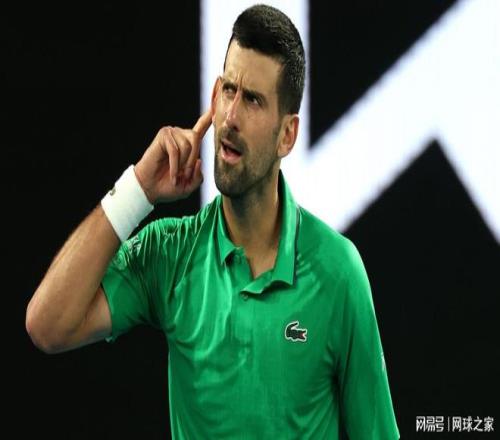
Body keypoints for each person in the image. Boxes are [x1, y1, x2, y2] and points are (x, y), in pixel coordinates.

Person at [26, 4, 399, 439]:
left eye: (253, 100)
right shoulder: (171, 252)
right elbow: (47, 325)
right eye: (228, 91)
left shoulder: (338, 272)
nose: (231, 117)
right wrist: (138, 190)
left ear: (287, 135)